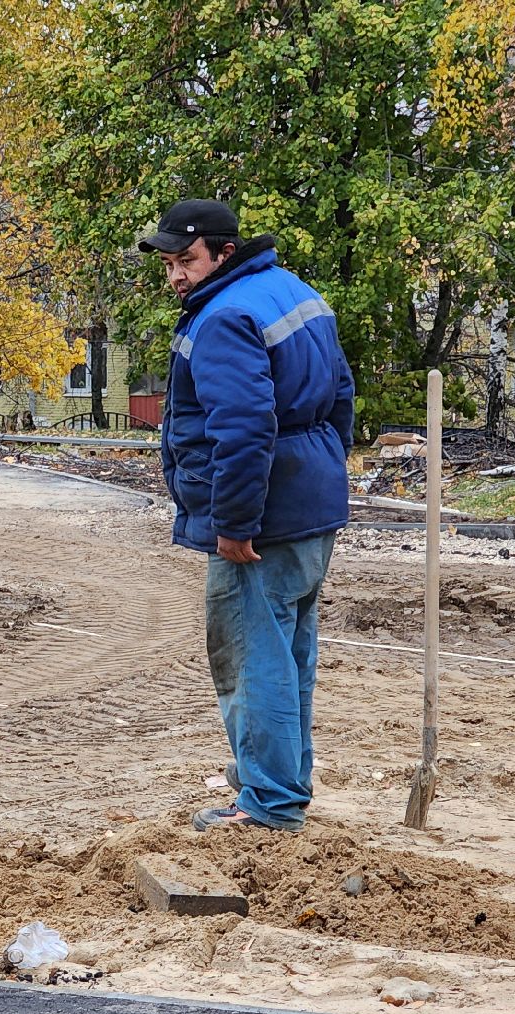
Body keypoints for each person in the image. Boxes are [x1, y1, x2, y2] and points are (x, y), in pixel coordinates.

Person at [140, 199, 354, 833]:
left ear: (223, 254)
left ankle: (267, 807)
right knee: (290, 660)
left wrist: (235, 523)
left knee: (250, 661)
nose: (177, 276)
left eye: (187, 261)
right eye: (170, 265)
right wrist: (322, 471)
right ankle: (282, 792)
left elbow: (242, 428)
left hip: (260, 522)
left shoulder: (226, 315)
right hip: (311, 508)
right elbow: (340, 395)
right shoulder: (293, 292)